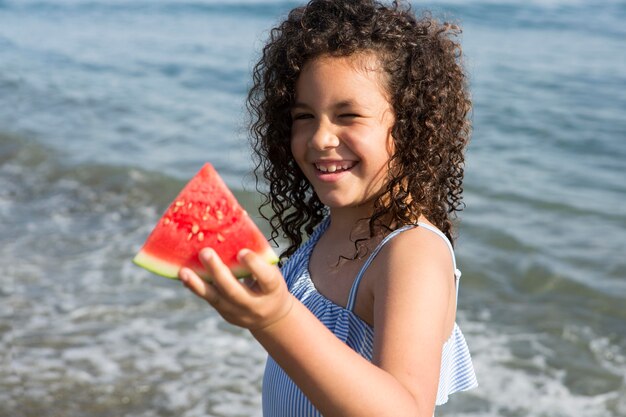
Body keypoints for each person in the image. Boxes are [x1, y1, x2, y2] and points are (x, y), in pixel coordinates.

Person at [178, 0, 478, 415]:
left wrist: (275, 318)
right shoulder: (325, 232)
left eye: (348, 115)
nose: (320, 138)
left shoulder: (411, 253)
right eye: (304, 116)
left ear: (411, 126)